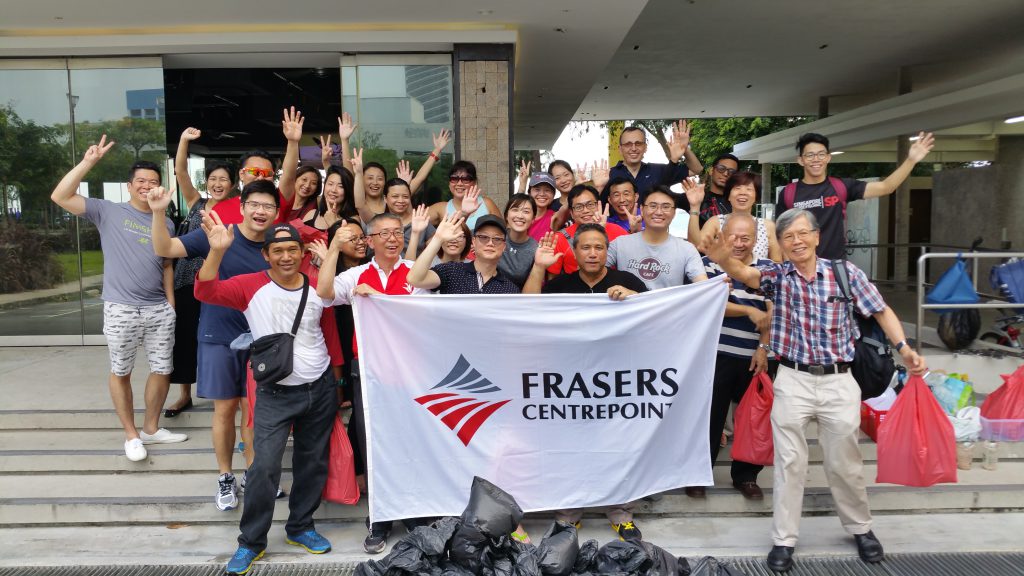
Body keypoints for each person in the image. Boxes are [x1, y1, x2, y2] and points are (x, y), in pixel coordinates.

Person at [705, 208, 928, 573]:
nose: (796, 242)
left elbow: (880, 310)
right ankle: (784, 539)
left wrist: (904, 348)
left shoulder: (845, 273)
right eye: (787, 237)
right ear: (780, 243)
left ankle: (861, 528)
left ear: (816, 236)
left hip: (840, 381)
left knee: (845, 463)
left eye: (802, 234)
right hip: (792, 379)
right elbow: (746, 273)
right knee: (790, 464)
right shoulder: (778, 276)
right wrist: (724, 258)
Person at [194, 220, 336, 576]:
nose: (286, 257)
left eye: (292, 250)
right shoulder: (250, 286)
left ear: (302, 253)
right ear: (266, 255)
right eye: (278, 251)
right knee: (264, 466)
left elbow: (331, 329)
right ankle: (251, 542)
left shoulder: (319, 285)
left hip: (319, 388)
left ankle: (301, 527)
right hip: (274, 391)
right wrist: (217, 249)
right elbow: (205, 290)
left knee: (313, 461)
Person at [49, 135, 187, 461]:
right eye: (140, 181)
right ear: (129, 186)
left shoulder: (165, 219)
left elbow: (167, 263)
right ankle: (131, 436)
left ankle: (151, 429)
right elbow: (60, 195)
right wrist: (88, 162)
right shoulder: (107, 211)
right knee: (121, 370)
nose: (147, 185)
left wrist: (170, 304)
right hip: (122, 307)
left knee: (163, 368)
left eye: (153, 181)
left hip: (158, 309)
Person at [151, 180, 280, 511]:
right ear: (242, 207)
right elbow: (165, 248)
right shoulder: (218, 233)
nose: (261, 211)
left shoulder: (277, 242)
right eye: (255, 204)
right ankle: (226, 476)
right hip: (218, 336)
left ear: (276, 213)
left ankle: (254, 473)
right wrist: (158, 212)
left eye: (268, 206)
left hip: (261, 341)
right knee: (224, 409)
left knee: (253, 411)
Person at [522, 224, 647, 540]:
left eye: (599, 247)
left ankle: (621, 513)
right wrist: (539, 266)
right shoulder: (560, 284)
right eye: (586, 247)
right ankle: (568, 515)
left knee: (619, 447)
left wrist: (634, 299)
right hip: (569, 384)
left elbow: (657, 317)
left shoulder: (628, 281)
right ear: (574, 252)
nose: (592, 253)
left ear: (608, 251)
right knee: (569, 449)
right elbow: (526, 308)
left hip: (614, 384)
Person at [317, 212, 430, 554]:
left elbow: (422, 314)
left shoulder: (416, 271)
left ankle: (411, 512)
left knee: (409, 441)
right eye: (385, 233)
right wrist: (334, 249)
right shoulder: (355, 275)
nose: (393, 239)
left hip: (408, 370)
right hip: (366, 370)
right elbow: (323, 293)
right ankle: (379, 518)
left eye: (398, 232)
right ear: (370, 241)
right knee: (373, 443)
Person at [699, 213, 773, 500]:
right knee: (709, 418)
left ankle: (746, 477)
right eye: (733, 236)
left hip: (755, 356)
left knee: (752, 419)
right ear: (722, 234)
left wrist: (763, 348)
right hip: (714, 354)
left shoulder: (767, 269)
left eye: (746, 238)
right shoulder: (704, 265)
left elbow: (771, 310)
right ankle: (700, 474)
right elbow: (704, 303)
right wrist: (742, 308)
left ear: (756, 240)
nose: (739, 243)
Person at [166, 127, 237, 418]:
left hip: (217, 283)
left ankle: (225, 390)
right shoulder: (196, 202)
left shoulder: (238, 208)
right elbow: (180, 170)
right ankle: (184, 394)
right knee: (183, 336)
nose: (218, 184)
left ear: (233, 184)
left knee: (215, 336)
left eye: (223, 179)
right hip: (186, 280)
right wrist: (183, 140)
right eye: (213, 179)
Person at [775, 131, 935, 259]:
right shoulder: (788, 193)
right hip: (798, 268)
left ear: (828, 158)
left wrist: (911, 160)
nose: (816, 159)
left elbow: (887, 187)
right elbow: (780, 234)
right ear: (801, 160)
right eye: (810, 155)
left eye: (821, 154)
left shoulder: (842, 186)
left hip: (835, 269)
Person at [211, 107, 304, 225]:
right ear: (241, 174)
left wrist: (292, 142)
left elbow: (289, 175)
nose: (260, 178)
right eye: (254, 172)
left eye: (267, 173)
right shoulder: (219, 210)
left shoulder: (280, 202)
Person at [606, 186, 708, 290]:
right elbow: (592, 272)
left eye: (666, 207)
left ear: (674, 213)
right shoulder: (619, 244)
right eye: (653, 206)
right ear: (641, 209)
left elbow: (704, 286)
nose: (659, 212)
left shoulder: (687, 249)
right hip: (629, 305)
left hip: (668, 306)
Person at [408, 214, 520, 294]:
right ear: (474, 242)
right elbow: (415, 279)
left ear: (504, 246)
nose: (490, 243)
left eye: (497, 239)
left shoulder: (510, 290)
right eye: (483, 237)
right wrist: (438, 239)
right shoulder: (451, 271)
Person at [686, 171, 782, 262]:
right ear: (728, 196)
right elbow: (697, 245)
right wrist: (695, 206)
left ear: (756, 197)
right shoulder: (716, 221)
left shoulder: (767, 226)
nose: (742, 192)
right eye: (737, 188)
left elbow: (777, 261)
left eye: (749, 189)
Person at [546, 185, 629, 278]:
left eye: (590, 205)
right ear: (571, 213)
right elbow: (552, 279)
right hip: (576, 290)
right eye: (578, 207)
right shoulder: (559, 238)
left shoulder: (618, 231)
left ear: (598, 206)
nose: (585, 210)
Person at [608, 121, 702, 196]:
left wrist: (685, 149)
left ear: (645, 147)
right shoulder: (609, 175)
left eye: (638, 143)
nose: (633, 148)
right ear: (620, 149)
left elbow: (697, 169)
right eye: (628, 144)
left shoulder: (659, 170)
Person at [426, 161, 501, 228]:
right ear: (449, 184)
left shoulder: (487, 203)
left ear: (474, 183)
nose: (459, 183)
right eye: (454, 179)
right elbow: (415, 224)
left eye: (465, 179)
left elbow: (502, 232)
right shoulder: (441, 207)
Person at [678, 153, 738, 227]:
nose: (726, 174)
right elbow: (663, 194)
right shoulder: (695, 196)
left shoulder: (738, 201)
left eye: (732, 172)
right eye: (721, 169)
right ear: (711, 171)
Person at [499, 194, 539, 287]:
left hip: (515, 298)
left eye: (526, 211)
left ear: (533, 219)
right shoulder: (495, 235)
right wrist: (465, 214)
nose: (520, 216)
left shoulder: (535, 249)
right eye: (515, 210)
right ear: (506, 215)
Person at [525, 172, 560, 241]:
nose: (542, 194)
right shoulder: (521, 216)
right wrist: (522, 184)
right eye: (537, 189)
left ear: (553, 195)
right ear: (529, 193)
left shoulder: (555, 217)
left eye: (547, 190)